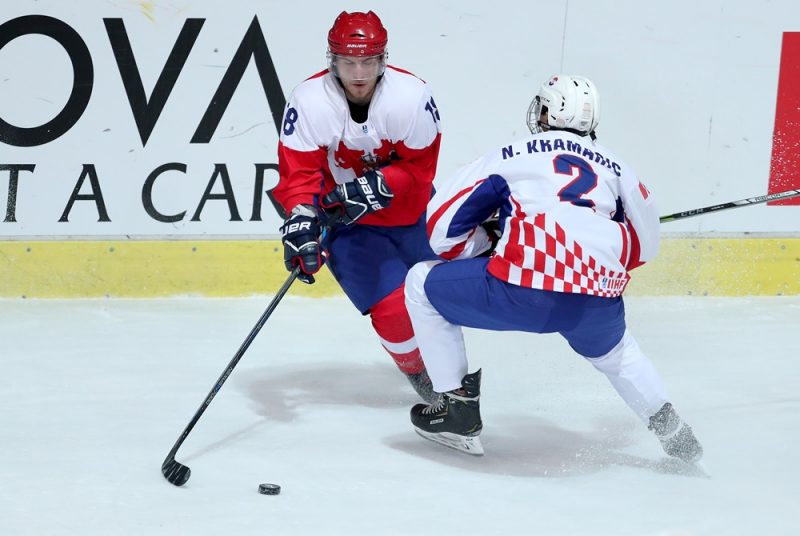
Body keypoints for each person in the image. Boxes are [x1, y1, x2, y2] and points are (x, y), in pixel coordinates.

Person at [403, 74, 703, 463]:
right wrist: (596, 254)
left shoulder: (512, 154)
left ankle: (456, 408)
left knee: (420, 282)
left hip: (520, 292)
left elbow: (441, 229)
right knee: (619, 355)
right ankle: (674, 432)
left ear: (548, 112)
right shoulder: (619, 169)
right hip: (594, 302)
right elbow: (646, 246)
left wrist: (488, 243)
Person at [272, 11, 442, 402]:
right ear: (332, 60)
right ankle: (424, 379)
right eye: (348, 62)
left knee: (442, 297)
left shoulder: (411, 97)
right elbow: (298, 175)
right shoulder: (309, 101)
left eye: (368, 61)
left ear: (383, 59)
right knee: (393, 310)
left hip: (413, 213)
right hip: (347, 224)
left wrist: (379, 185)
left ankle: (452, 369)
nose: (359, 73)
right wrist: (301, 220)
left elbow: (420, 171)